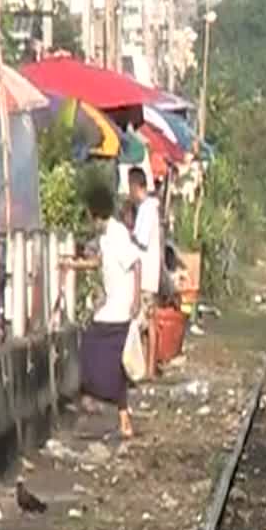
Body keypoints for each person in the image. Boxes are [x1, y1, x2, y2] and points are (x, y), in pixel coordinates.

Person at [64, 182, 141, 439]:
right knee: (115, 365)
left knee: (89, 347)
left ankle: (89, 398)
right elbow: (101, 262)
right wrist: (75, 265)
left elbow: (136, 262)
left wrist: (137, 298)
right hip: (113, 306)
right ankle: (124, 420)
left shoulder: (118, 233)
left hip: (119, 308)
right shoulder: (107, 236)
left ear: (96, 213)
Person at [129, 167, 161, 381]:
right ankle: (146, 367)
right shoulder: (148, 208)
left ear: (135, 186)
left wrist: (125, 235)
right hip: (148, 273)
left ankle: (147, 368)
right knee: (148, 321)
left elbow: (140, 239)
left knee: (146, 321)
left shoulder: (147, 210)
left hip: (146, 274)